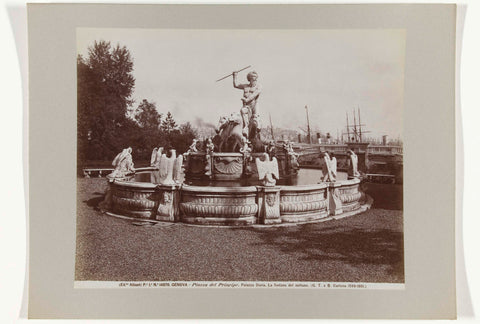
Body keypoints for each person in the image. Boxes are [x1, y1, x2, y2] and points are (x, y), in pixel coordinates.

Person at [233, 70, 262, 138]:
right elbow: (236, 85)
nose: (254, 79)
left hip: (254, 105)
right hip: (246, 106)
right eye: (252, 77)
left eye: (255, 77)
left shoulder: (259, 86)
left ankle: (258, 127)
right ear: (249, 78)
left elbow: (254, 95)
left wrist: (246, 99)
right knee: (242, 111)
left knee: (256, 118)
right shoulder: (245, 86)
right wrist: (235, 76)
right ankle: (246, 127)